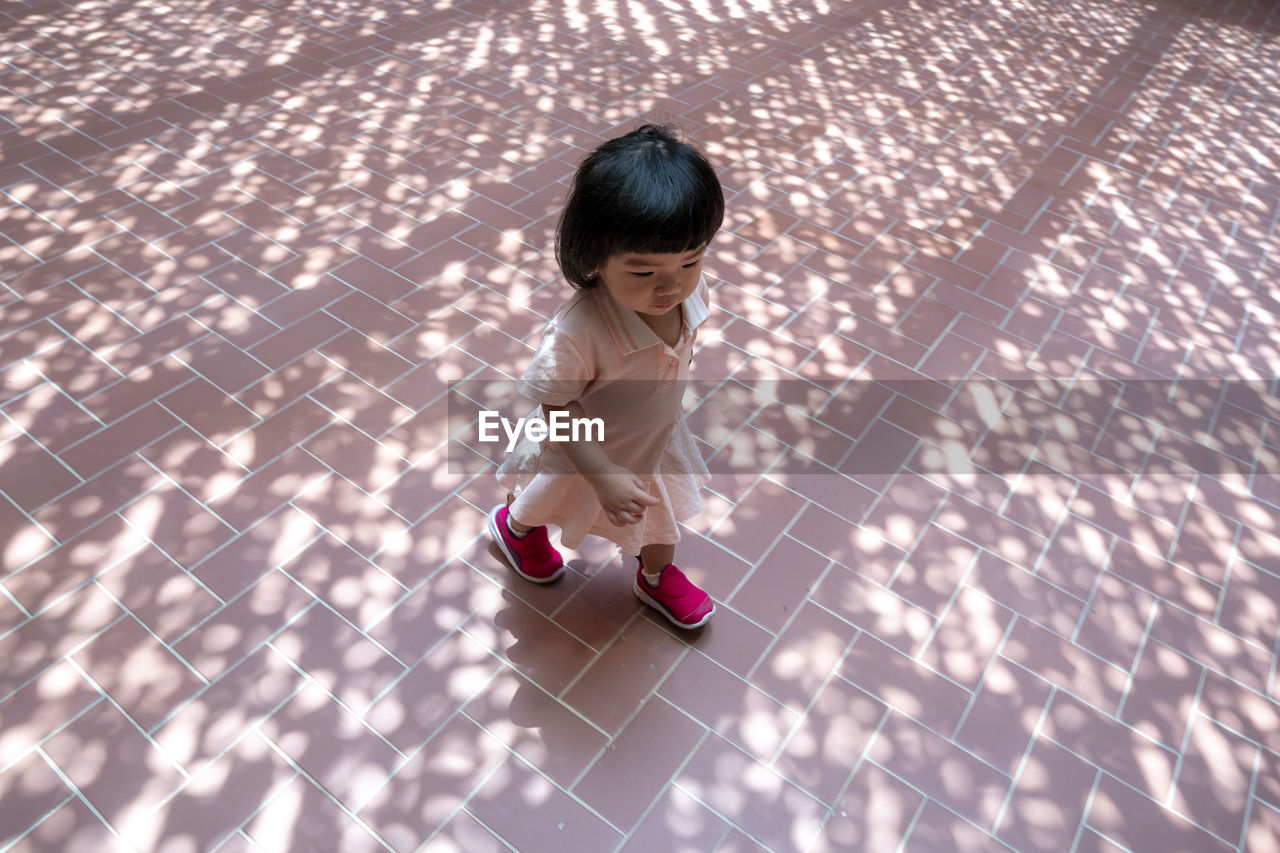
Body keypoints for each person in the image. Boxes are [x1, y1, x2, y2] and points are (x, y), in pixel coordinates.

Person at [487, 124, 724, 629]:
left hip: (653, 442)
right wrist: (601, 473)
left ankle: (656, 576)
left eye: (692, 260)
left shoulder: (687, 294)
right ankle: (516, 528)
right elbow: (556, 406)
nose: (672, 285)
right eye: (643, 273)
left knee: (660, 521)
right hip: (582, 450)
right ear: (594, 256)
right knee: (544, 497)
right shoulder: (580, 332)